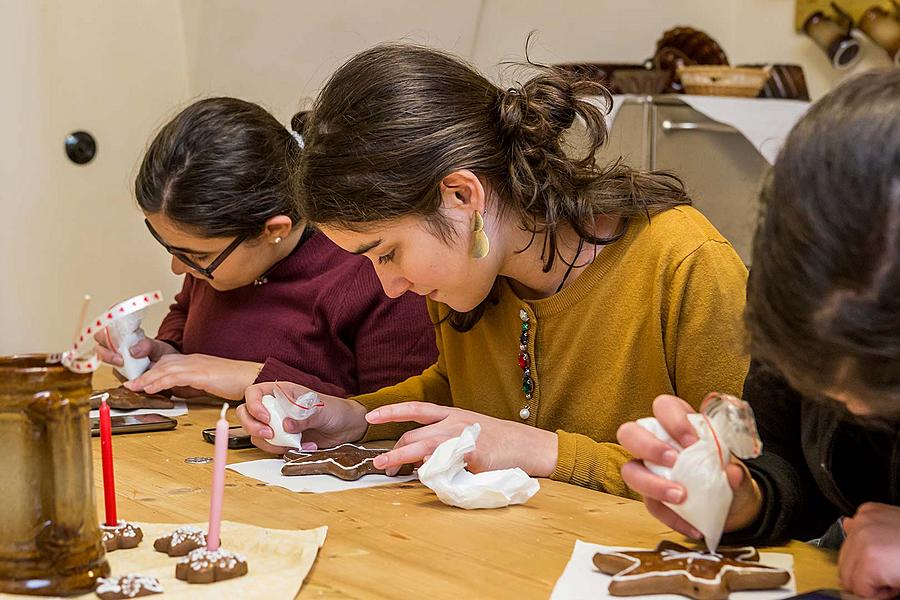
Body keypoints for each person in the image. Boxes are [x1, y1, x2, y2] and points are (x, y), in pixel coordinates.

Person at [237, 43, 749, 495]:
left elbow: (747, 480)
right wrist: (353, 417)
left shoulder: (682, 262)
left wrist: (545, 452)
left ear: (462, 196)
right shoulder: (466, 278)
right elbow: (458, 391)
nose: (390, 287)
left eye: (387, 252)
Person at [617, 70, 900, 597]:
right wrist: (742, 497)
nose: (857, 416)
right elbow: (789, 457)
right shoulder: (799, 286)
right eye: (826, 391)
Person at [97, 97, 436, 400]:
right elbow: (187, 313)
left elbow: (393, 417)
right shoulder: (219, 267)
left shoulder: (377, 272)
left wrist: (255, 379)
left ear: (274, 230)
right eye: (170, 248)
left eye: (197, 256)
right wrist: (164, 352)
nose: (179, 268)